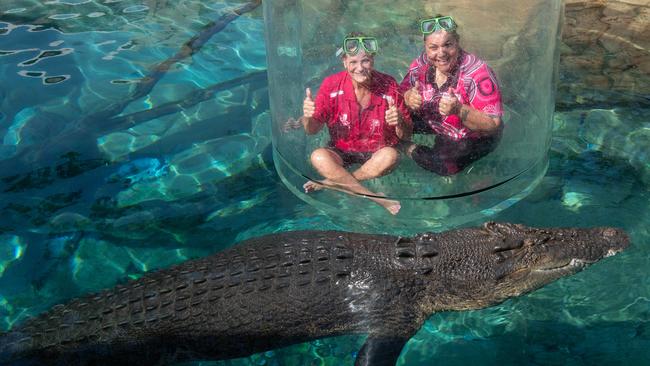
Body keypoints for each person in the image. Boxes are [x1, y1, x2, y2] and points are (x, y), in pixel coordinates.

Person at [300, 33, 412, 215]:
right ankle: (376, 198)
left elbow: (406, 135)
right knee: (318, 157)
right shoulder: (331, 85)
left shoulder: (389, 85)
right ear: (344, 61)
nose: (359, 68)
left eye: (365, 61)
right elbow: (311, 130)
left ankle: (333, 183)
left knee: (391, 156)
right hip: (340, 152)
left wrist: (399, 122)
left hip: (377, 152)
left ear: (373, 60)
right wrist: (307, 116)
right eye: (353, 62)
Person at [399, 15, 503, 176]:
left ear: (457, 42)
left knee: (444, 166)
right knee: (388, 117)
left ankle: (404, 146)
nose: (441, 53)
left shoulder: (477, 74)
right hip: (437, 123)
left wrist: (459, 109)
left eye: (448, 45)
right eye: (433, 47)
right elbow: (399, 95)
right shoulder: (421, 64)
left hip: (472, 136)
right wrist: (407, 97)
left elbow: (492, 125)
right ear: (425, 47)